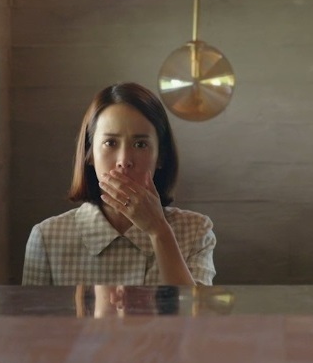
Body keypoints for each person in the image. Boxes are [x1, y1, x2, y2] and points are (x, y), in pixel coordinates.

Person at [22, 82, 216, 286]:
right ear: (89, 154)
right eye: (110, 143)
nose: (124, 160)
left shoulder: (195, 230)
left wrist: (159, 231)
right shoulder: (48, 237)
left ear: (160, 156)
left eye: (140, 144)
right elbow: (33, 309)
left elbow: (196, 307)